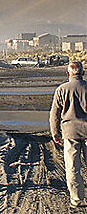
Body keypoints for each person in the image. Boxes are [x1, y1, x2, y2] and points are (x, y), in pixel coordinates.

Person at [50, 61, 87, 208]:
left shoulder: (61, 90)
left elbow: (55, 115)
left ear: (68, 74)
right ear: (82, 73)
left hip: (70, 133)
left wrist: (55, 133)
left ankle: (76, 199)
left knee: (73, 168)